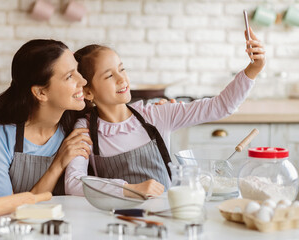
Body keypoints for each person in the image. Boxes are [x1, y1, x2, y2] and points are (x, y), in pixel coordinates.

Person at [65, 27, 266, 197]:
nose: (122, 79)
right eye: (109, 75)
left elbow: (221, 106)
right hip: (116, 220)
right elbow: (74, 183)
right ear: (88, 91)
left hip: (166, 215)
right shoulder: (85, 130)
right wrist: (130, 190)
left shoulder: (156, 114)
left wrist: (253, 69)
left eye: (122, 69)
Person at [0, 39, 92, 199]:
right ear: (41, 93)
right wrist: (58, 165)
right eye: (70, 76)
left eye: (77, 70)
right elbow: (3, 210)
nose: (83, 81)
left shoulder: (75, 126)